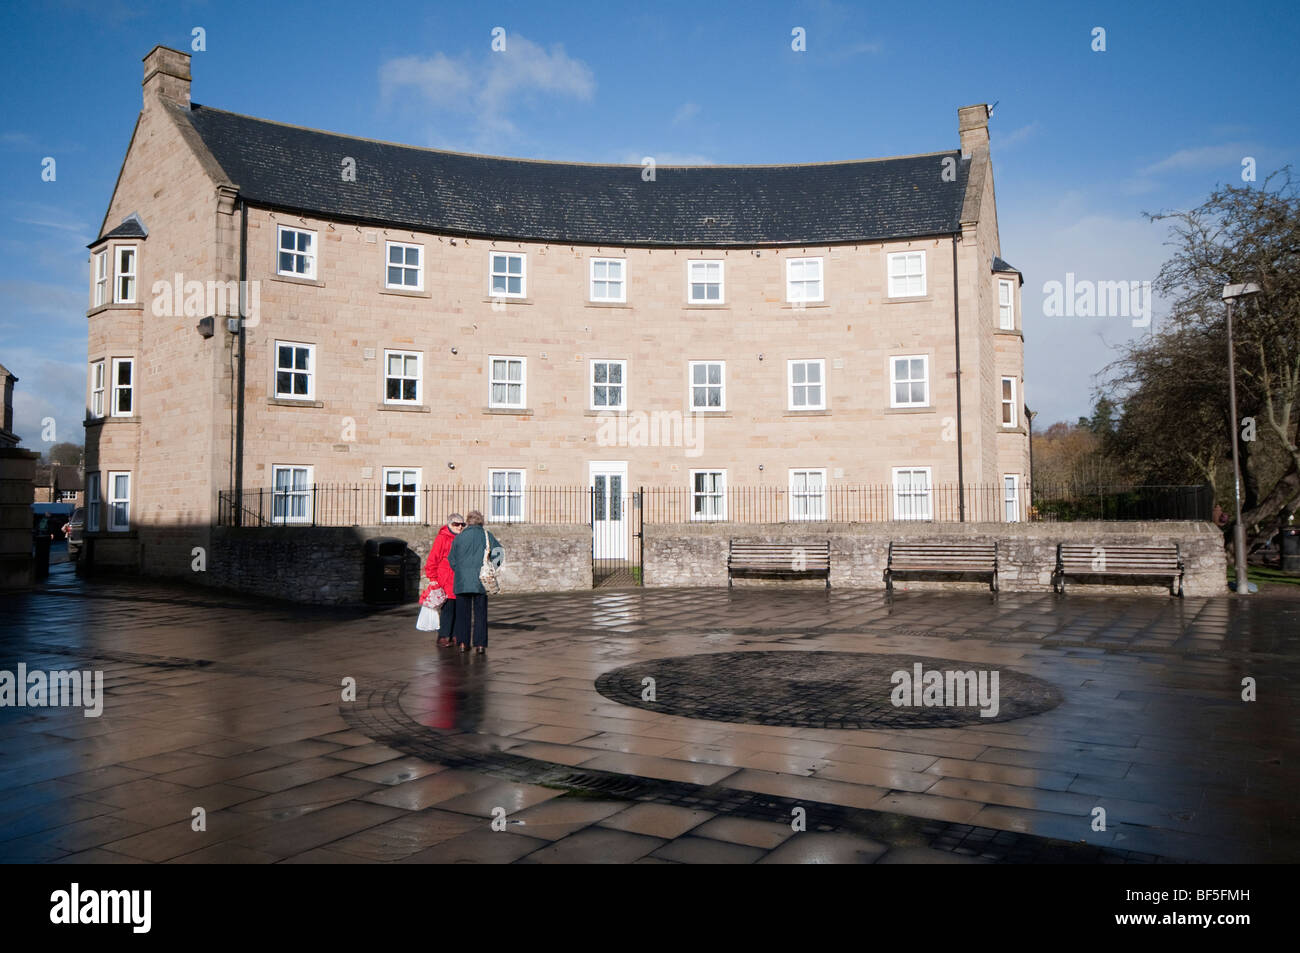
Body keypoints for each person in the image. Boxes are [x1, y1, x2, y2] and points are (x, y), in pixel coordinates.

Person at [447, 510, 503, 655]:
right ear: (481, 521)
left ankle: (463, 643)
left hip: (461, 580)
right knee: (480, 614)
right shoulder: (486, 535)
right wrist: (492, 568)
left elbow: (451, 559)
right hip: (481, 580)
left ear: (468, 521)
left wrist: (459, 570)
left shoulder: (460, 537)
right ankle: (480, 645)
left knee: (462, 614)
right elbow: (499, 552)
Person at [422, 513, 465, 647]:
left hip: (459, 577)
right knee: (448, 608)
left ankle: (455, 635)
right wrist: (432, 577)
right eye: (456, 524)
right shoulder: (442, 538)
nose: (459, 527)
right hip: (446, 577)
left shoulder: (463, 538)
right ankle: (444, 636)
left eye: (462, 524)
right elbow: (433, 558)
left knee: (459, 608)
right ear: (449, 524)